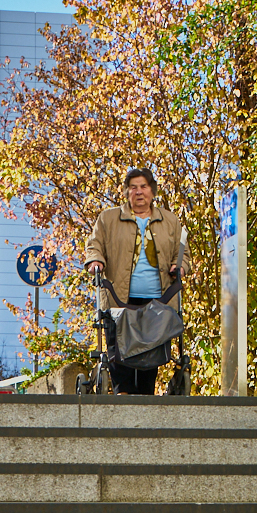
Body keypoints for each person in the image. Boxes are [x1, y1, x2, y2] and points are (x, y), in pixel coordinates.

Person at [85, 165, 186, 395]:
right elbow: (94, 245)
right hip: (119, 296)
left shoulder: (170, 221)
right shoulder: (108, 218)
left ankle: (146, 395)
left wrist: (178, 267)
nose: (139, 192)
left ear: (152, 191)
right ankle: (123, 392)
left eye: (143, 187)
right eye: (133, 187)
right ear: (126, 192)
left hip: (158, 297)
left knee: (151, 346)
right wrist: (95, 261)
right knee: (119, 346)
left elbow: (182, 254)